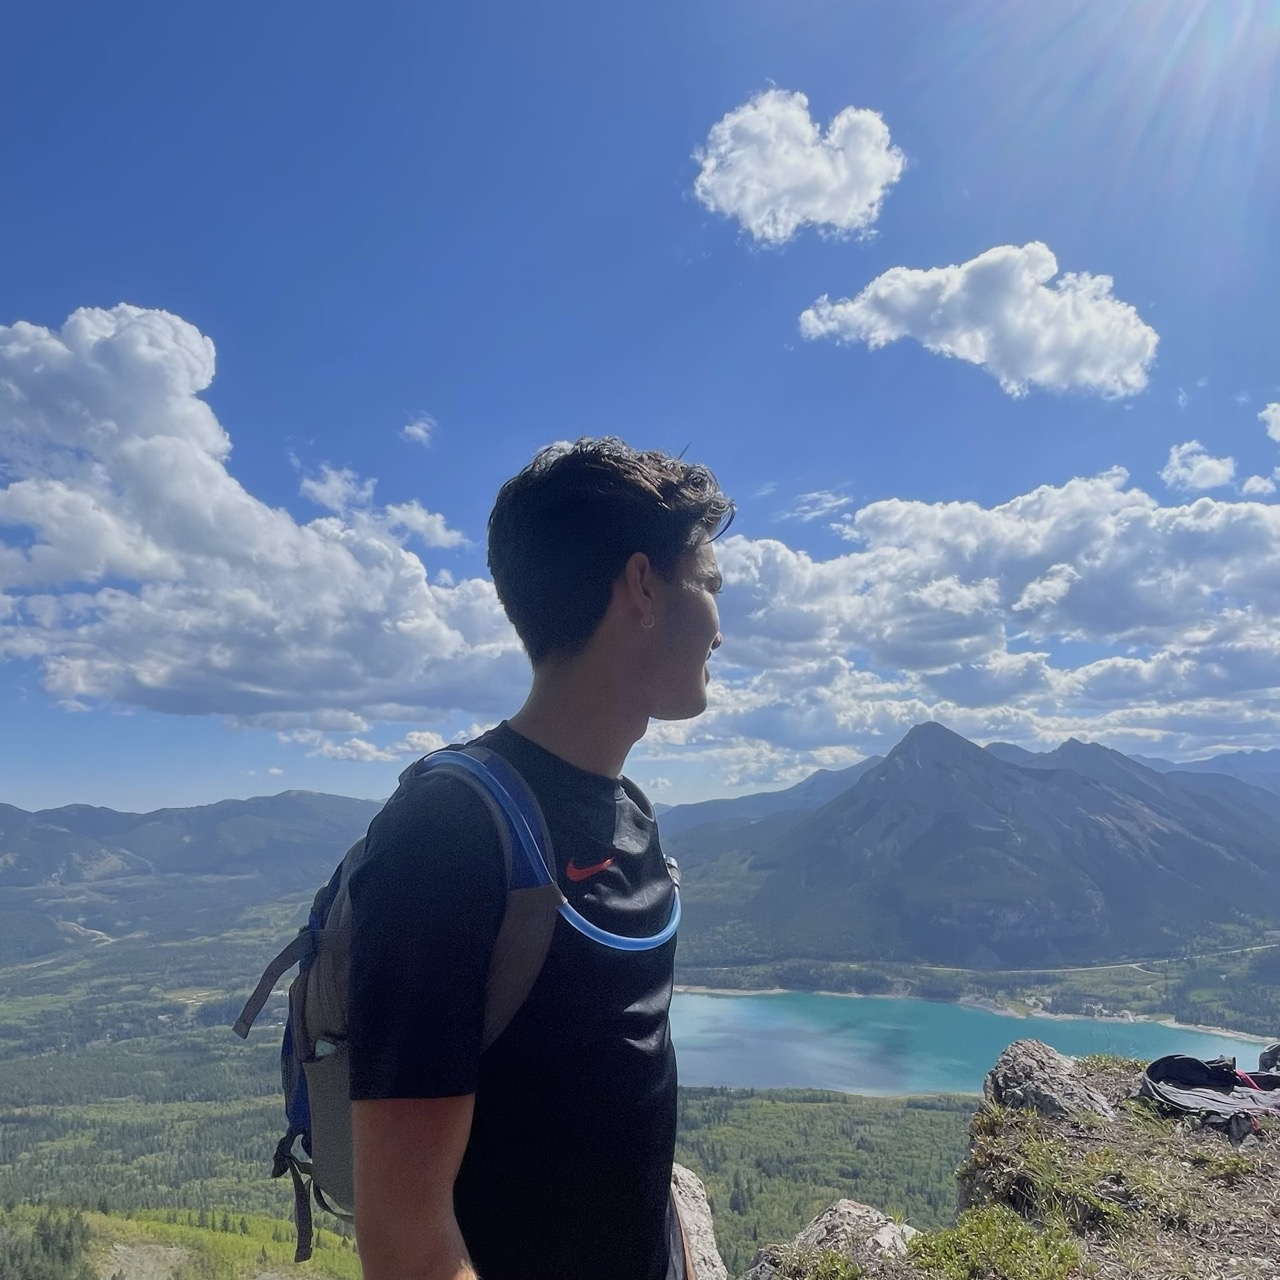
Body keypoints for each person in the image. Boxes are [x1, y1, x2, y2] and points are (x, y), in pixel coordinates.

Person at [347, 438, 733, 1280]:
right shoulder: (445, 835)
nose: (719, 627)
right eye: (706, 584)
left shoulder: (630, 813)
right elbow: (405, 1235)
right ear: (641, 588)